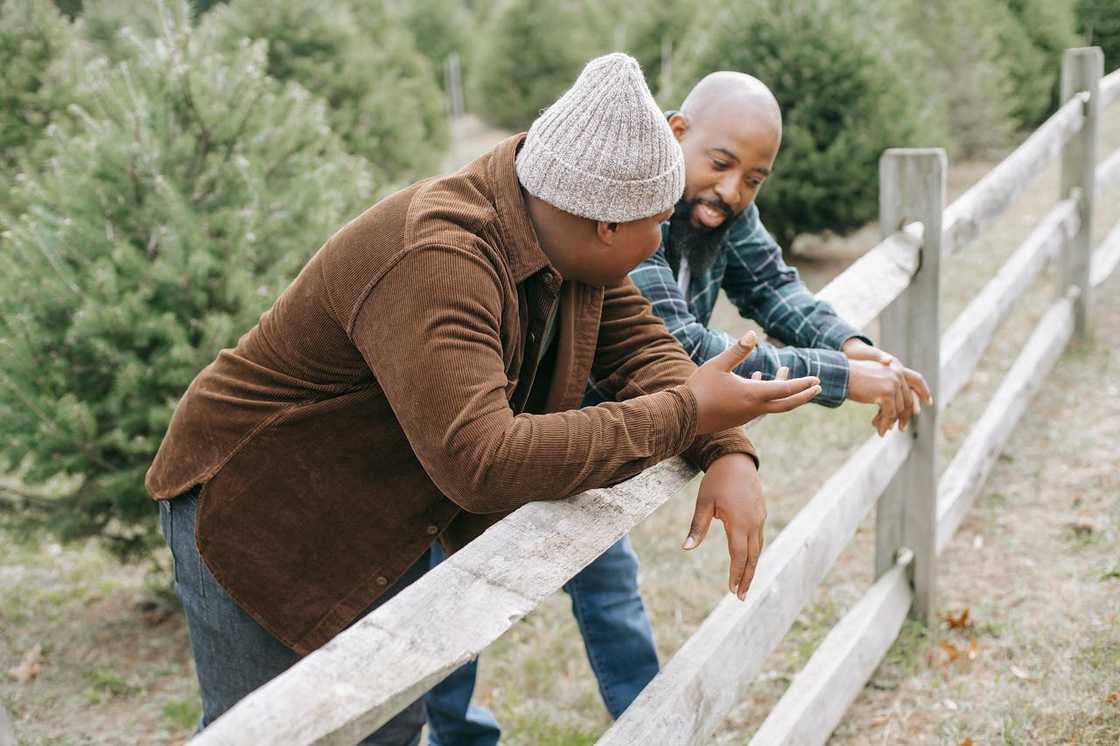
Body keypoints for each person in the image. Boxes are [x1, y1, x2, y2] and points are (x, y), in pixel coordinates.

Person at [145, 54, 821, 745]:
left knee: (387, 722)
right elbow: (482, 460)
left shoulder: (569, 233)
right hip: (258, 506)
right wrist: (686, 414)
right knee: (266, 733)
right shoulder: (438, 255)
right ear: (609, 226)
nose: (662, 238)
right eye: (658, 222)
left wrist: (725, 448)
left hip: (383, 506)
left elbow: (646, 354)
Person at [424, 71, 932, 746]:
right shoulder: (628, 209)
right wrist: (838, 376)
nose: (733, 190)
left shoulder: (726, 213)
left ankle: (650, 729)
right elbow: (680, 344)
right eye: (721, 165)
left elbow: (776, 289)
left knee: (611, 588)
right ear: (675, 133)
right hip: (529, 422)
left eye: (754, 178)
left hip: (611, 444)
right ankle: (454, 733)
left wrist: (852, 343)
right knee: (452, 594)